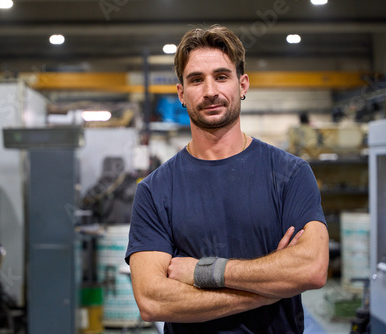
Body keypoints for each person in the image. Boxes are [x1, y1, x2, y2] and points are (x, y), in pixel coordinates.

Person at [124, 24, 329, 333]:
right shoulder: (155, 190)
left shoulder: (291, 174)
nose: (210, 91)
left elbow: (311, 269)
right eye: (196, 80)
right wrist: (268, 288)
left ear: (242, 85)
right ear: (181, 93)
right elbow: (153, 300)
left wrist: (203, 272)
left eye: (221, 76)